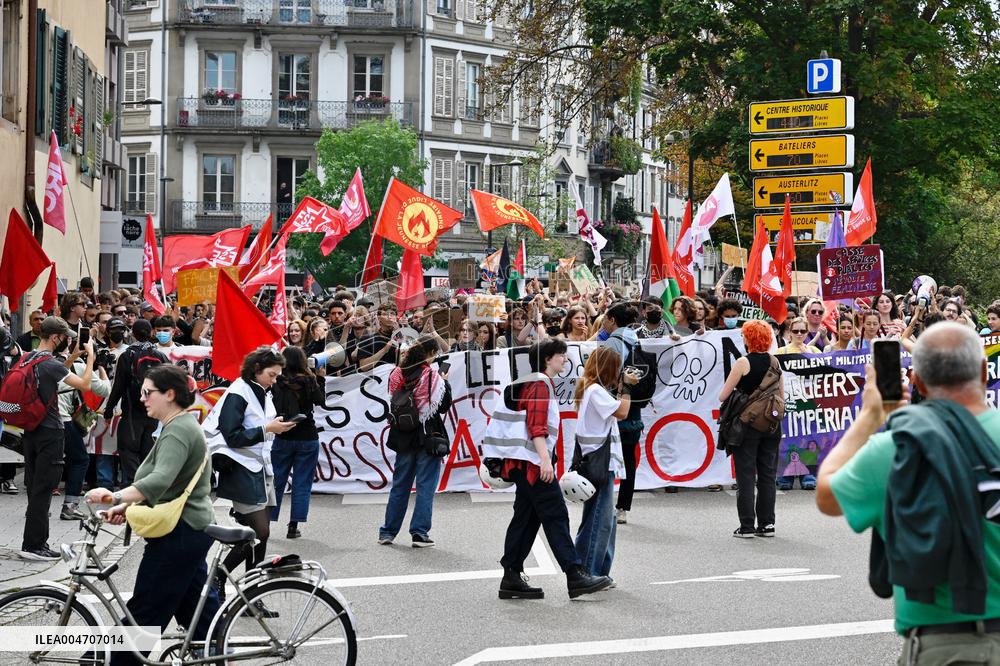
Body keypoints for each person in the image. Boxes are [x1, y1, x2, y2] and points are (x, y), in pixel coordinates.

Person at [816, 323, 1000, 664]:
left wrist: (870, 416)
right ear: (984, 371)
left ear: (916, 381)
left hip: (947, 646)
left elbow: (827, 494)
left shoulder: (895, 447)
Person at [85, 365, 219, 666]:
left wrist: (115, 496)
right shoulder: (177, 426)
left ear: (170, 394)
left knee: (146, 611)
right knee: (197, 608)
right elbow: (170, 485)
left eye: (148, 392)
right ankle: (222, 654)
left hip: (181, 532)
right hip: (187, 529)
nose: (142, 398)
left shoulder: (179, 430)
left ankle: (112, 662)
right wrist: (127, 507)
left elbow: (159, 480)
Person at [484, 339, 613, 599]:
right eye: (561, 356)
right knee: (556, 515)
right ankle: (575, 574)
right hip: (533, 464)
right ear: (547, 359)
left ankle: (511, 576)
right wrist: (545, 460)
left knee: (526, 519)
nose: (565, 360)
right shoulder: (541, 384)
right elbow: (537, 425)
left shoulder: (531, 381)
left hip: (522, 463)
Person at [204, 347, 295, 604]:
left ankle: (254, 594)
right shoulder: (238, 392)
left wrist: (274, 426)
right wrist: (268, 427)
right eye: (272, 375)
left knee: (258, 536)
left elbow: (257, 428)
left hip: (260, 467)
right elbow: (231, 436)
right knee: (259, 532)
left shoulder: (260, 391)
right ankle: (220, 577)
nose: (275, 380)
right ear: (256, 369)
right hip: (241, 467)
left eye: (277, 376)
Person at [18, 317, 94, 560]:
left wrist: (71, 357)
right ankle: (35, 546)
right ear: (55, 338)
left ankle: (31, 541)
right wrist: (90, 356)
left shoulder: (29, 357)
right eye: (65, 337)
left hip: (30, 429)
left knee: (34, 486)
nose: (68, 340)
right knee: (44, 489)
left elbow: (58, 377)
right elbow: (84, 383)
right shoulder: (51, 364)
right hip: (50, 431)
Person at [378, 335, 452, 547]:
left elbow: (393, 399)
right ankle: (419, 532)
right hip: (427, 435)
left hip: (402, 434)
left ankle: (388, 532)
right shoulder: (432, 376)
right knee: (425, 485)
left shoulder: (396, 374)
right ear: (429, 354)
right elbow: (443, 405)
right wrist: (444, 381)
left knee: (400, 485)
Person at [573, 346, 638, 578]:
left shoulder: (592, 389)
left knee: (604, 519)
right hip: (599, 462)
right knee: (599, 520)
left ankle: (598, 570)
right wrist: (627, 387)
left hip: (597, 460)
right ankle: (589, 571)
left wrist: (621, 387)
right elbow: (622, 412)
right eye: (616, 368)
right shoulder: (596, 391)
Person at [718, 320, 784, 538]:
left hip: (747, 425)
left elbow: (723, 395)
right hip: (771, 424)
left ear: (748, 338)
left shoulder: (742, 363)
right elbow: (781, 397)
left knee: (746, 475)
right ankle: (767, 525)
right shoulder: (775, 362)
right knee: (767, 474)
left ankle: (746, 526)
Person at [270, 346, 326, 539]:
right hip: (307, 435)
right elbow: (321, 401)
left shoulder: (277, 380)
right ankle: (293, 526)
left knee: (277, 480)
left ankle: (266, 522)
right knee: (302, 482)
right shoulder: (309, 380)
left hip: (283, 433)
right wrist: (320, 378)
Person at [105, 320, 167, 486]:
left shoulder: (127, 356)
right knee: (148, 453)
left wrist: (108, 410)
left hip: (132, 413)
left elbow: (118, 386)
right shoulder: (161, 356)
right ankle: (146, 488)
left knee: (128, 451)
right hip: (154, 413)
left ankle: (134, 487)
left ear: (132, 333)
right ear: (152, 332)